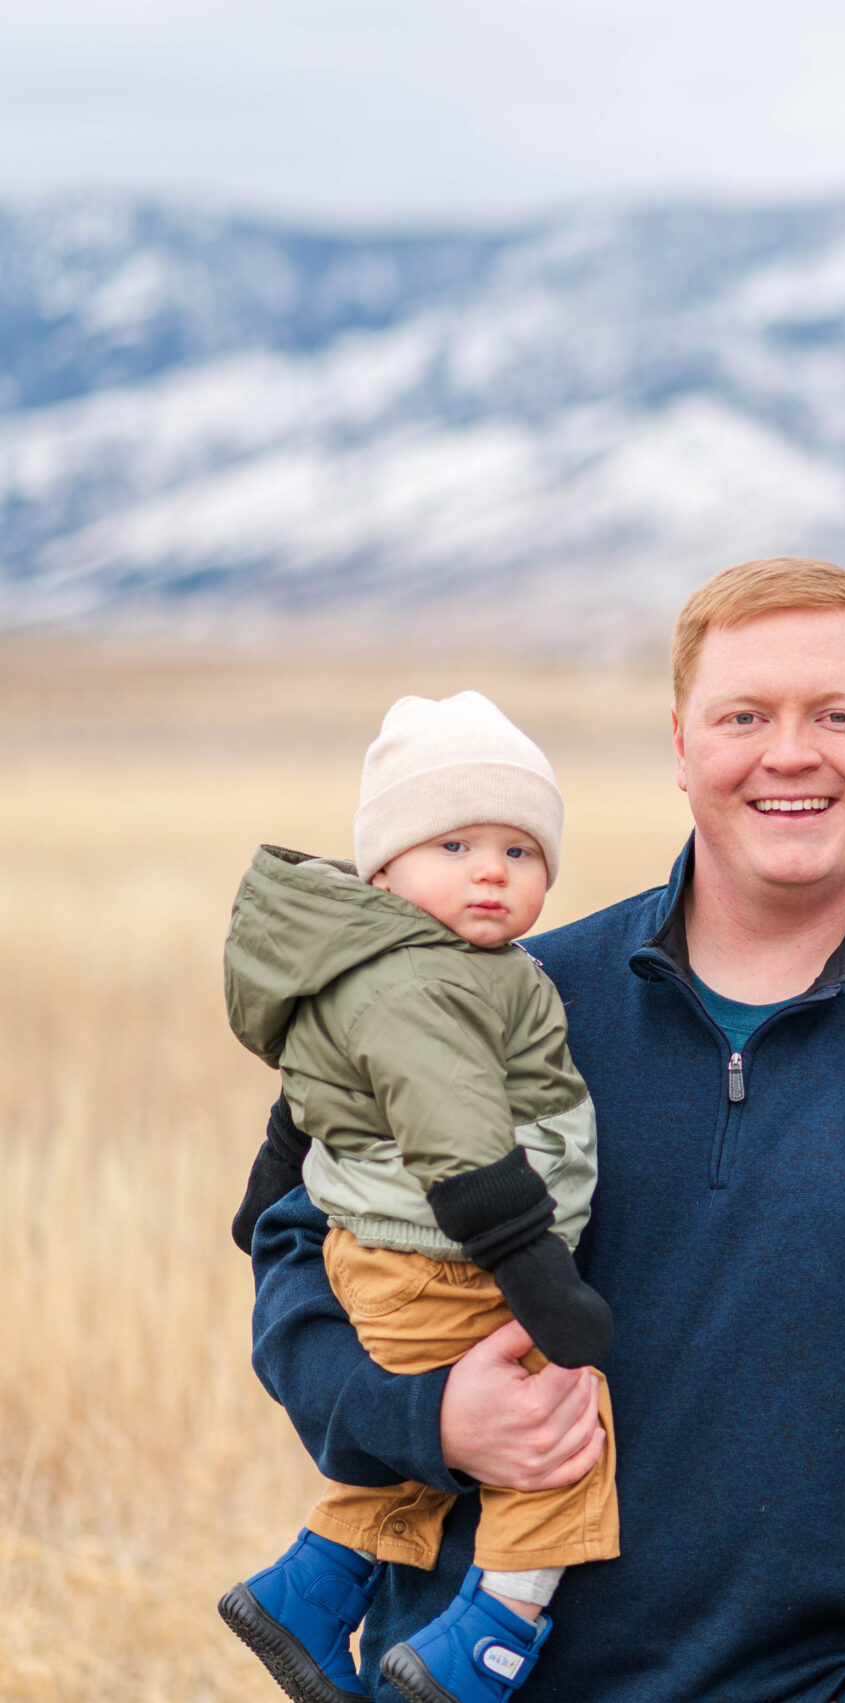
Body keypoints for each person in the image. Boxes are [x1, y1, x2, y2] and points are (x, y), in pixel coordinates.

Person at [238, 558, 845, 1703]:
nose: (791, 752)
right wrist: (427, 1417)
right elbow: (296, 1252)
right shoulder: (508, 1000)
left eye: (837, 714)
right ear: (680, 744)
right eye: (744, 715)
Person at [220, 691, 617, 1703]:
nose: (492, 869)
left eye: (521, 852)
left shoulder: (400, 965)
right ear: (384, 868)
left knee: (417, 1451)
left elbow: (302, 1111)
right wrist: (546, 1293)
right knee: (559, 1430)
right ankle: (484, 1640)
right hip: (445, 1252)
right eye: (454, 842)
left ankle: (311, 1589)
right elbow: (463, 1151)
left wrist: (261, 1201)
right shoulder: (421, 985)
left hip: (392, 1254)